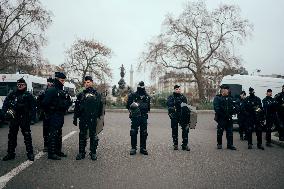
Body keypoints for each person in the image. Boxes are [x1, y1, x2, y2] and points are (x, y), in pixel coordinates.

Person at [2, 78, 36, 161]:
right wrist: (4, 114)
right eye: (18, 85)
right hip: (14, 117)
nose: (20, 86)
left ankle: (30, 153)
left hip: (25, 118)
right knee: (12, 136)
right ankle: (10, 153)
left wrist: (32, 119)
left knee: (27, 136)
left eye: (21, 85)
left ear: (25, 85)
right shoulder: (12, 94)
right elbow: (5, 105)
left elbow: (33, 108)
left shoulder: (28, 95)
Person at [73, 76, 103, 160]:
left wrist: (99, 117)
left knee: (93, 135)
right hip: (83, 118)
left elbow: (100, 106)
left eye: (88, 82)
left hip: (92, 118)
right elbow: (77, 107)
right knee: (82, 135)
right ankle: (81, 152)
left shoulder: (97, 94)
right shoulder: (81, 94)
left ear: (92, 83)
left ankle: (93, 152)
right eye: (85, 82)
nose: (87, 83)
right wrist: (75, 118)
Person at [42, 72, 70, 160]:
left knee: (58, 134)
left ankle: (58, 151)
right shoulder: (52, 90)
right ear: (57, 79)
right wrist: (50, 112)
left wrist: (66, 104)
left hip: (60, 115)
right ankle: (51, 153)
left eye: (64, 80)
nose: (63, 82)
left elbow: (68, 101)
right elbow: (44, 103)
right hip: (53, 115)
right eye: (62, 80)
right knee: (53, 134)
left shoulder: (62, 91)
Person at [126, 81, 150, 155]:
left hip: (143, 116)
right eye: (140, 86)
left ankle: (143, 148)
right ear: (138, 87)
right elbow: (128, 106)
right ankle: (133, 148)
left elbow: (148, 107)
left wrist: (139, 106)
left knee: (144, 132)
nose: (141, 88)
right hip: (135, 116)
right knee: (133, 131)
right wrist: (132, 110)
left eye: (143, 87)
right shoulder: (132, 95)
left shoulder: (147, 96)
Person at [166, 85, 190, 151]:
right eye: (176, 89)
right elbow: (169, 105)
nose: (178, 90)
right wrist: (171, 114)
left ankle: (185, 145)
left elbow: (185, 106)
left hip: (183, 115)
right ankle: (175, 144)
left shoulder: (183, 97)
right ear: (174, 90)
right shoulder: (171, 97)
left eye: (179, 89)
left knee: (185, 130)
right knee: (174, 130)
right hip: (174, 115)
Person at [213, 85, 237, 150]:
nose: (228, 91)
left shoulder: (230, 98)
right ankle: (219, 144)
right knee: (220, 132)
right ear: (222, 90)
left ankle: (230, 145)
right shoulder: (217, 98)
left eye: (228, 89)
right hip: (221, 118)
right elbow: (216, 108)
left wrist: (232, 113)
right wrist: (224, 115)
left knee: (230, 132)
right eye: (226, 89)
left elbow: (234, 107)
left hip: (229, 118)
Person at [37, 77, 54, 152]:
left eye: (51, 82)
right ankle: (46, 146)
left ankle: (53, 146)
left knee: (53, 130)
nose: (49, 83)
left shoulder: (54, 90)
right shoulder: (43, 91)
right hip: (46, 113)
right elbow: (38, 102)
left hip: (53, 113)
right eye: (48, 82)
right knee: (46, 130)